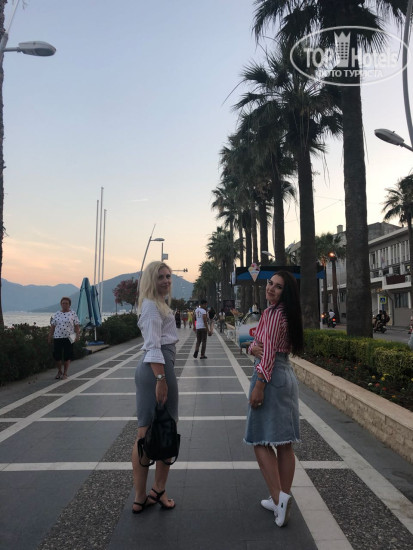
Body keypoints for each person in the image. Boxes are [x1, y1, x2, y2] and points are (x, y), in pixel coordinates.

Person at [244, 271, 304, 528]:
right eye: (270, 283)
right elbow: (260, 345)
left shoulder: (272, 314)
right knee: (285, 444)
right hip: (286, 376)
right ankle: (281, 498)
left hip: (269, 378)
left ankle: (278, 499)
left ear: (285, 292)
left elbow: (267, 354)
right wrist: (251, 348)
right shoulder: (288, 314)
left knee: (258, 440)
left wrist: (259, 385)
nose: (271, 288)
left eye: (278, 287)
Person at [131, 261, 179, 514]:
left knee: (150, 431)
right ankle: (154, 491)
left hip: (157, 367)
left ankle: (145, 495)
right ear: (151, 280)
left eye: (168, 276)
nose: (166, 280)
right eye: (160, 277)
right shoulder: (151, 306)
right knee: (160, 430)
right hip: (157, 368)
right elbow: (153, 346)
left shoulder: (156, 304)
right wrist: (161, 379)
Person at [48, 297, 80, 380]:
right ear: (61, 304)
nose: (64, 305)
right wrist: (50, 336)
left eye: (66, 303)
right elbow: (53, 326)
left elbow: (77, 326)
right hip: (57, 336)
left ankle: (65, 373)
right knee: (57, 356)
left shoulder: (73, 313)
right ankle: (59, 371)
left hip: (70, 337)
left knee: (67, 355)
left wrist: (77, 335)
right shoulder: (57, 314)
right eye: (63, 303)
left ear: (69, 305)